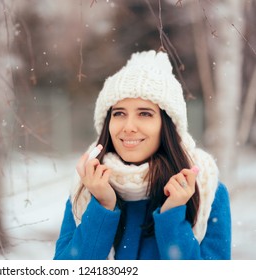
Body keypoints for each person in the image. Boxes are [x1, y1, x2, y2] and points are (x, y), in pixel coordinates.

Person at [53, 50, 231, 260]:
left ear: (167, 125)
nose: (129, 127)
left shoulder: (206, 190)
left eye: (145, 114)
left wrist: (172, 213)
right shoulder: (85, 188)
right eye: (119, 113)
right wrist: (102, 205)